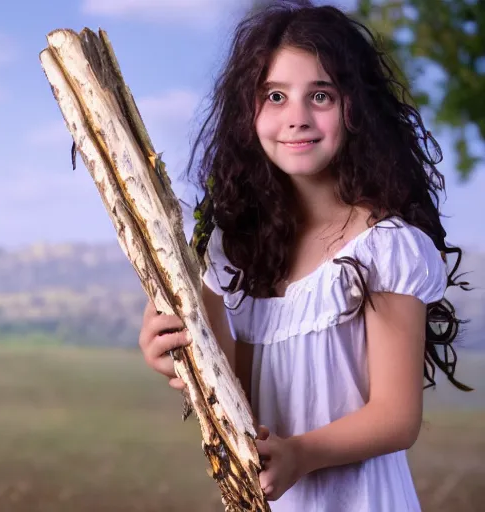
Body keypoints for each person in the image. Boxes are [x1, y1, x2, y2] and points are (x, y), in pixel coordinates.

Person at [139, 2, 471, 510]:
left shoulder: (385, 246)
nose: (297, 117)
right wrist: (173, 352)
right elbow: (234, 391)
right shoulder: (231, 250)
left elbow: (396, 416)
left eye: (320, 95)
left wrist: (300, 454)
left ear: (357, 108)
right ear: (247, 113)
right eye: (275, 96)